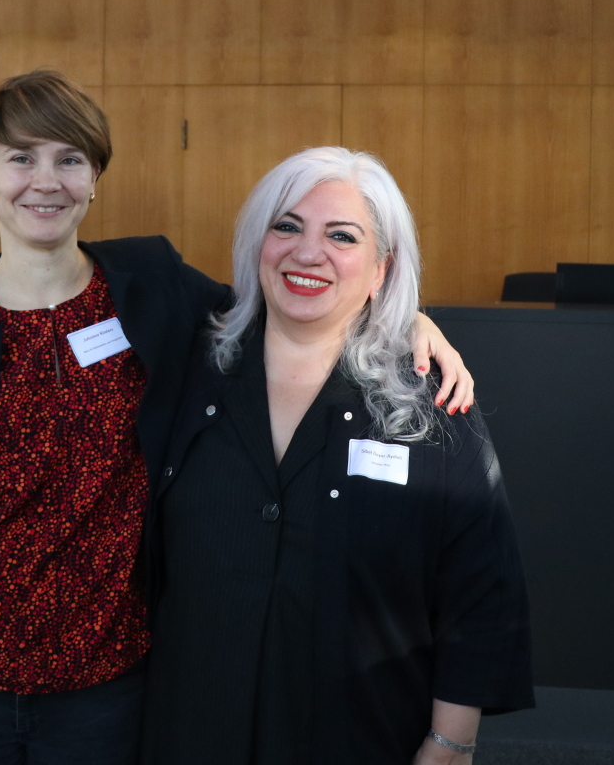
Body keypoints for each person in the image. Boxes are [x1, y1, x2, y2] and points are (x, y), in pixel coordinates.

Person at [0, 72, 476, 765]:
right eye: (20, 157)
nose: (46, 180)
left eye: (69, 159)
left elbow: (289, 303)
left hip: (110, 682)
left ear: (94, 176)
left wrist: (406, 319)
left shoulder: (151, 287)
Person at [144, 147, 533, 765]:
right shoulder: (188, 369)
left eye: (342, 236)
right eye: (287, 226)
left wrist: (452, 739)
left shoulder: (428, 398)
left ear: (381, 269)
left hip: (360, 734)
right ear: (257, 243)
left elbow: (480, 584)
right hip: (191, 727)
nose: (307, 252)